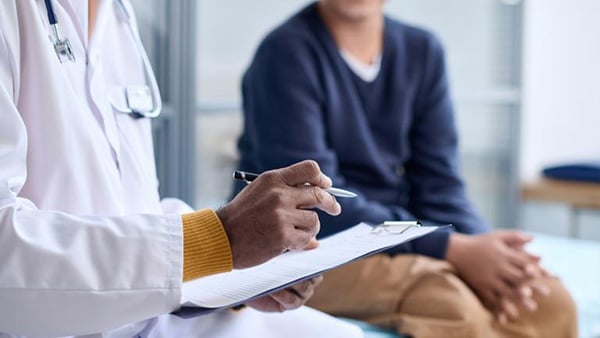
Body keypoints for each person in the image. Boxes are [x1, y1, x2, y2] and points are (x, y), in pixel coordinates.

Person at [0, 1, 363, 337]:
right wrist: (219, 239)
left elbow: (127, 211)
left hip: (147, 317)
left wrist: (240, 268)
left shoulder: (117, 14)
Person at [233, 0, 578, 337]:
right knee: (446, 301)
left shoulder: (422, 51)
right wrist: (449, 247)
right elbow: (316, 206)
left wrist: (485, 250)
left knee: (549, 301)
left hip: (400, 237)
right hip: (311, 248)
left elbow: (441, 185)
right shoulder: (285, 53)